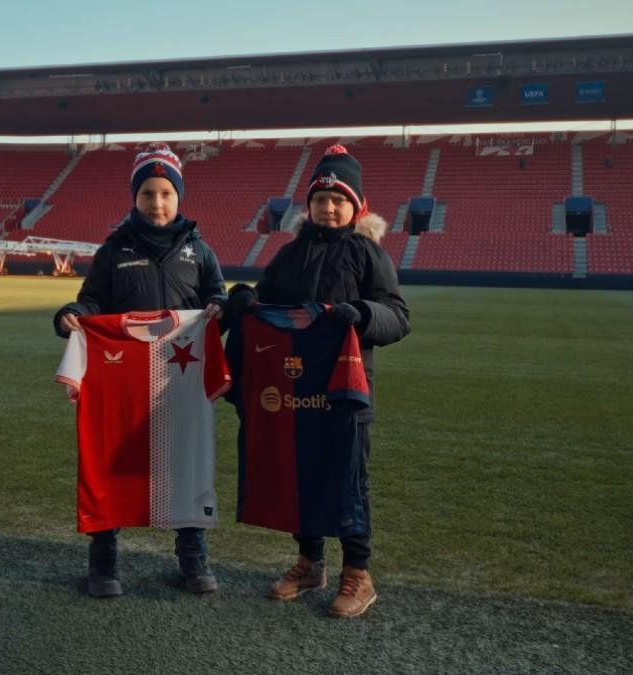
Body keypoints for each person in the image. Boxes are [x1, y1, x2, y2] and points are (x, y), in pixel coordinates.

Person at [227, 144, 410, 618]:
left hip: (348, 390)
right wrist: (243, 299)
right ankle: (310, 561)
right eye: (320, 200)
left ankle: (359, 573)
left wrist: (364, 314)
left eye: (339, 201)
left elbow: (397, 315)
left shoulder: (368, 254)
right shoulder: (290, 256)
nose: (329, 209)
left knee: (351, 476)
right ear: (307, 205)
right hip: (293, 389)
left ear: (356, 206)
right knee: (299, 470)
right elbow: (263, 302)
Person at [54, 143, 227, 598]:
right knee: (111, 461)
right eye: (148, 192)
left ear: (179, 196)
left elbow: (217, 295)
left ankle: (193, 563)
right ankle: (104, 566)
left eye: (166, 192)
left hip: (180, 380)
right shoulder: (113, 250)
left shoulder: (200, 250)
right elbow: (92, 301)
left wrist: (218, 308)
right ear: (135, 196)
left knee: (186, 463)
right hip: (123, 379)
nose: (157, 202)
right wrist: (73, 314)